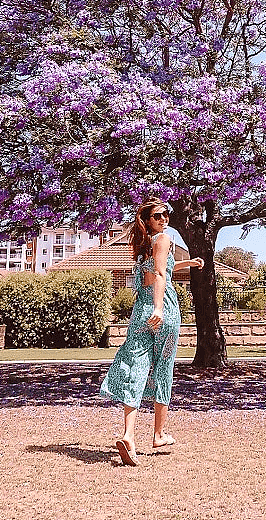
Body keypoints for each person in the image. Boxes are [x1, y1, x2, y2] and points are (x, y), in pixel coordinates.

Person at [100, 198, 205, 466]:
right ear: (148, 219)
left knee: (135, 365)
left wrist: (188, 263)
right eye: (158, 216)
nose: (164, 220)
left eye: (166, 215)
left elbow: (161, 269)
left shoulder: (141, 245)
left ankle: (129, 435)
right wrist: (158, 308)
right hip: (164, 309)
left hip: (140, 309)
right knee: (163, 367)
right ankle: (157, 434)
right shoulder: (163, 239)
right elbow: (160, 275)